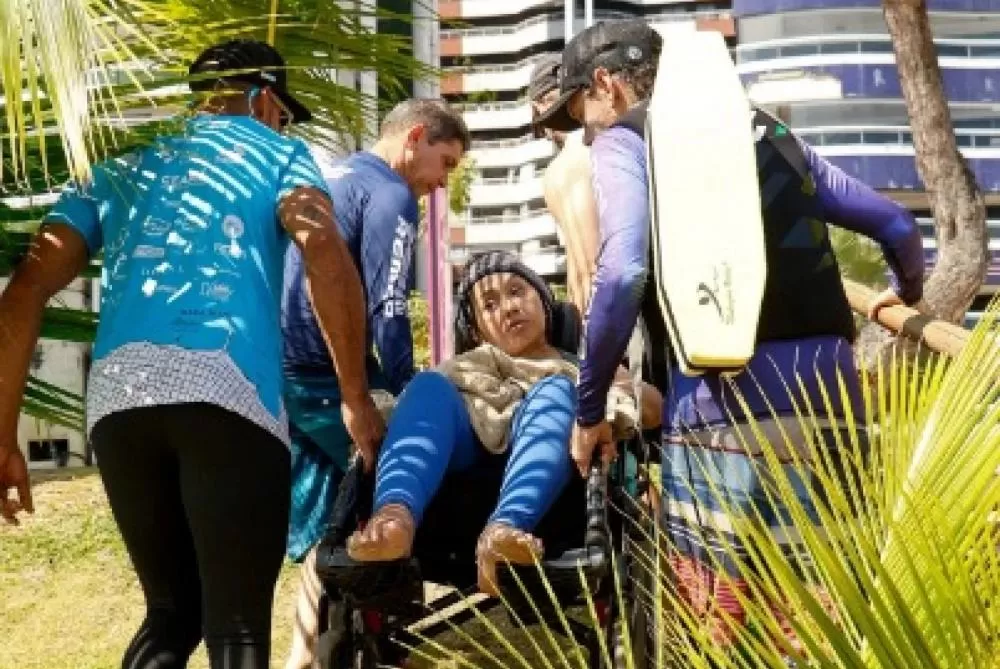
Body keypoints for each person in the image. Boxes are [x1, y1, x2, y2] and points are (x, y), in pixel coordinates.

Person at [536, 18, 925, 648]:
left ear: (606, 84)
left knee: (725, 629)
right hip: (832, 402)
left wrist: (588, 408)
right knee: (822, 624)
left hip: (725, 411)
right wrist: (904, 294)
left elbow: (625, 266)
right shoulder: (768, 130)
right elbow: (898, 229)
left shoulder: (627, 140)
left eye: (582, 110)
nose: (587, 129)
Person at [0, 39, 383, 669]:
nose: (284, 125)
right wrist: (353, 397)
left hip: (122, 399)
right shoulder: (280, 152)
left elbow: (26, 288)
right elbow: (324, 252)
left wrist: (3, 434)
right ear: (264, 101)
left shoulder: (119, 162)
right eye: (285, 113)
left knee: (170, 617)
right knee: (235, 629)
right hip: (228, 390)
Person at [345, 251, 661, 595]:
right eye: (490, 304)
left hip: (556, 493)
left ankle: (502, 532)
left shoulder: (582, 367)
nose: (509, 307)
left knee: (556, 389)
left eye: (517, 292)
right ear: (477, 331)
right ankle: (394, 518)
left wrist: (606, 388)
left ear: (543, 302)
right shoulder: (463, 369)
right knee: (427, 388)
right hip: (451, 484)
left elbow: (654, 407)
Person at [281, 98, 469, 669]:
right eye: (446, 163)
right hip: (327, 377)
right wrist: (413, 393)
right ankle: (383, 647)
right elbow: (389, 308)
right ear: (414, 137)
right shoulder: (391, 195)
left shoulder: (328, 175)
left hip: (282, 372)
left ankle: (303, 657)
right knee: (395, 496)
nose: (441, 184)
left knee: (331, 529)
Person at [530, 55, 600, 318]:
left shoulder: (571, 162)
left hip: (608, 322)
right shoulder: (590, 154)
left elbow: (591, 268)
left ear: (539, 106)